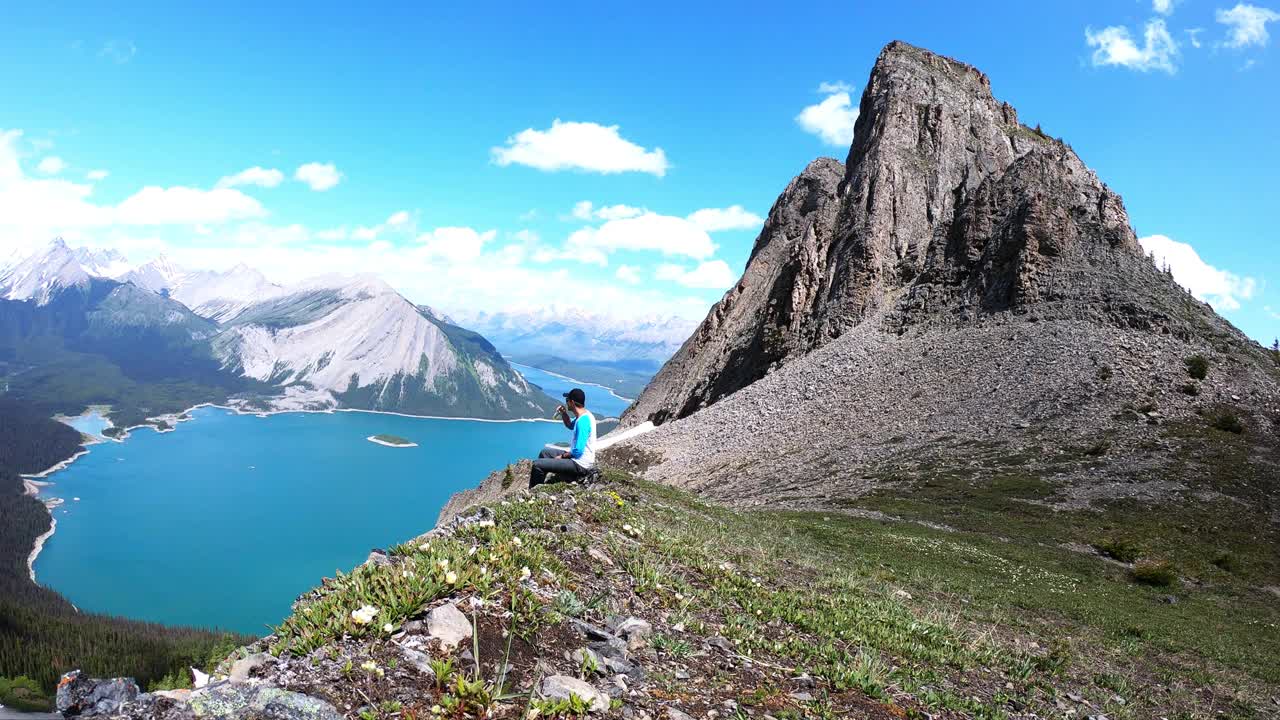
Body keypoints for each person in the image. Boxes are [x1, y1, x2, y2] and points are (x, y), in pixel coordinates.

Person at [530, 388, 596, 487]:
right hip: (578, 460)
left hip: (580, 465)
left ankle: (534, 492)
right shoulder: (584, 415)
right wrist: (564, 413)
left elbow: (577, 451)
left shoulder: (583, 422)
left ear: (572, 402)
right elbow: (570, 425)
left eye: (567, 401)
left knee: (537, 465)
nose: (566, 403)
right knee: (545, 452)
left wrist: (561, 457)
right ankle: (543, 481)